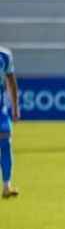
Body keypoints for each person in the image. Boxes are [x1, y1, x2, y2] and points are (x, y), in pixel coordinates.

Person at [0, 45, 19, 199]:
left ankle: (6, 186)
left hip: (0, 110)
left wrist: (15, 108)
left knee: (5, 143)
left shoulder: (4, 55)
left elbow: (11, 82)